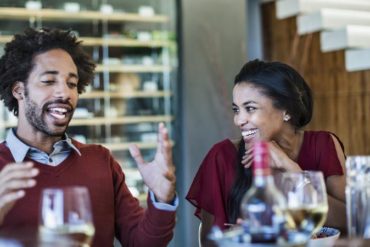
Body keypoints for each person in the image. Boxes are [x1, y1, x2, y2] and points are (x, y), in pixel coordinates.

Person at [0, 28, 177, 247]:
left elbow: (141, 242)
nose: (64, 93)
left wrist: (162, 200)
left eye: (72, 84)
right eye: (48, 81)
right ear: (19, 91)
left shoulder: (100, 161)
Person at [186, 59, 347, 246]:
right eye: (236, 110)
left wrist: (292, 170)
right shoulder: (221, 156)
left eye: (250, 108)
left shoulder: (323, 145)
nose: (239, 120)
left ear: (285, 110)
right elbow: (208, 242)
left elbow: (348, 220)